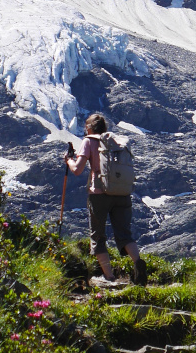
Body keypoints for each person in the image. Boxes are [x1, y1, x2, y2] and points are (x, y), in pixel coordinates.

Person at [64, 113, 147, 286]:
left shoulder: (89, 141)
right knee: (124, 234)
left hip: (99, 194)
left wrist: (69, 161)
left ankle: (109, 278)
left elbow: (78, 170)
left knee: (98, 237)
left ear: (89, 128)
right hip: (122, 193)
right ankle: (138, 262)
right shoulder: (116, 142)